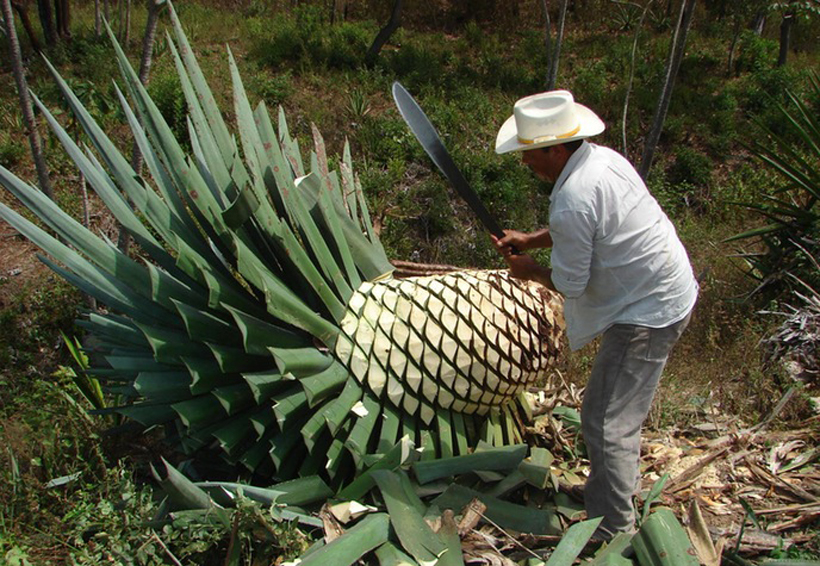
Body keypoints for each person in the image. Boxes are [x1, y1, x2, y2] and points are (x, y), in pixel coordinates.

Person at [491, 90, 698, 540]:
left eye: (530, 154)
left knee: (606, 421)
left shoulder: (573, 199)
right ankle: (607, 496)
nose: (525, 163)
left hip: (648, 311)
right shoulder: (603, 161)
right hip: (663, 289)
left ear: (557, 148)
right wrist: (531, 239)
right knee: (608, 415)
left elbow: (569, 283)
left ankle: (614, 531)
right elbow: (583, 228)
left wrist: (529, 271)